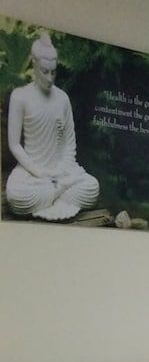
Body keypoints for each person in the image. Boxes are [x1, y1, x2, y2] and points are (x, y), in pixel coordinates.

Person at [5, 31, 99, 221]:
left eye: (54, 72)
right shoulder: (20, 96)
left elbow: (69, 143)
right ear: (34, 65)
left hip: (61, 171)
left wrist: (62, 169)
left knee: (92, 187)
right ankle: (59, 192)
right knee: (16, 197)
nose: (50, 78)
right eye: (45, 71)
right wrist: (39, 172)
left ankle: (53, 193)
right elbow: (14, 144)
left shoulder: (62, 98)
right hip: (33, 172)